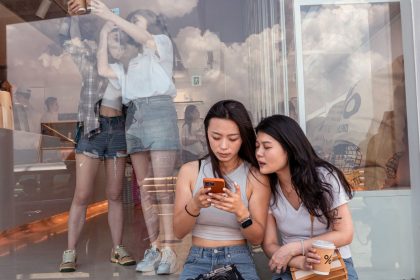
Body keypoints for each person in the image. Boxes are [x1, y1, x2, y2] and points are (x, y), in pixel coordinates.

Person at [92, 1, 180, 274]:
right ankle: (154, 246)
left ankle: (168, 249)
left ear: (149, 26)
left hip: (159, 113)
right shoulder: (128, 64)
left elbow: (145, 38)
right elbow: (103, 69)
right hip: (135, 118)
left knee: (162, 187)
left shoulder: (161, 45)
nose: (134, 29)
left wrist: (112, 17)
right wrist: (104, 34)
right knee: (144, 188)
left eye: (138, 22)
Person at [58, 1, 138, 272]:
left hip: (118, 132)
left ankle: (117, 248)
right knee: (82, 194)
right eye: (111, 38)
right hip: (93, 129)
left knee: (115, 194)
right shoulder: (91, 63)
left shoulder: (127, 70)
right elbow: (75, 42)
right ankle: (70, 252)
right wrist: (77, 21)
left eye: (118, 40)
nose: (115, 43)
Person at [174, 100, 271, 280]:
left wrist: (241, 212)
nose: (224, 146)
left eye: (233, 138)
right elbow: (179, 232)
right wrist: (194, 205)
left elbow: (256, 239)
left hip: (238, 258)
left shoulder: (256, 176)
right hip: (198, 258)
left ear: (243, 137)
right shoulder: (190, 171)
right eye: (216, 137)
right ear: (206, 134)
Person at [255, 115, 358, 280]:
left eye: (267, 147)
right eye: (257, 146)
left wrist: (294, 248)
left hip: (332, 265)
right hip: (292, 267)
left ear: (288, 148)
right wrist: (299, 261)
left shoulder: (324, 177)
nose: (259, 153)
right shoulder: (267, 187)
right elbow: (269, 244)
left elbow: (345, 233)